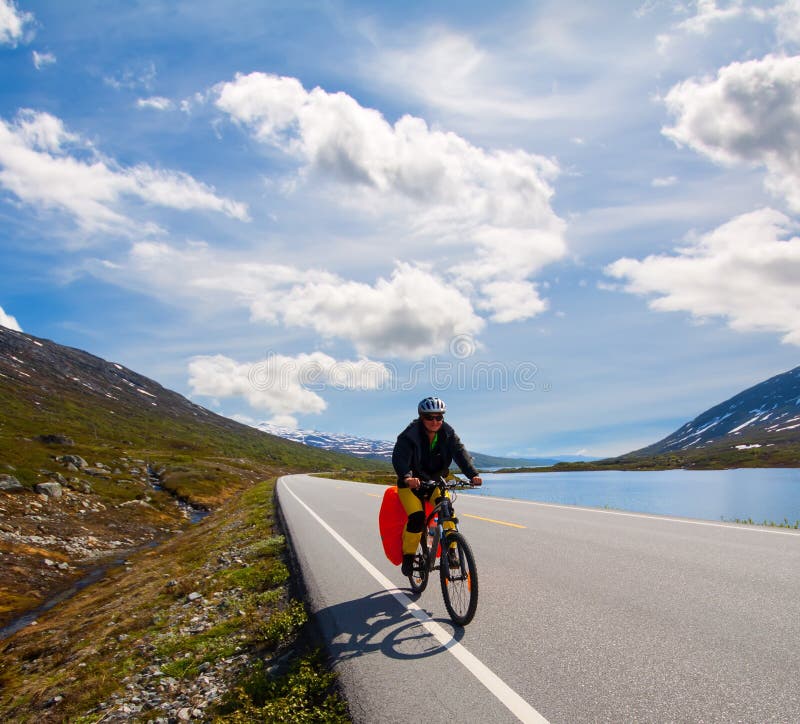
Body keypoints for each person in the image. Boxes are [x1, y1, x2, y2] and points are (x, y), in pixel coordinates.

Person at [391, 396, 482, 576]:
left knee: (447, 511)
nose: (434, 421)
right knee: (417, 519)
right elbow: (399, 459)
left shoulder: (448, 434)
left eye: (439, 417)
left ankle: (452, 552)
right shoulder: (408, 436)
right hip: (411, 485)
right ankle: (408, 557)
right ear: (421, 417)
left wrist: (473, 474)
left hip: (434, 481)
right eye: (429, 417)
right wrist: (408, 477)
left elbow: (460, 454)